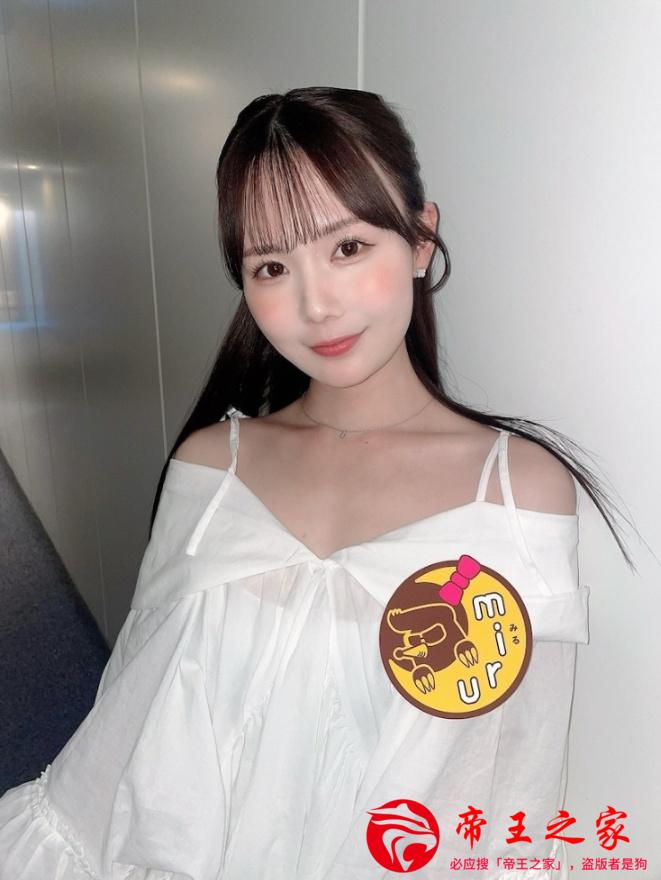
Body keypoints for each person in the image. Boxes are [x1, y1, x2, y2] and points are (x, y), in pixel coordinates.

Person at [0, 86, 631, 879]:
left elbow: (509, 784)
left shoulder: (514, 495)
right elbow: (135, 723)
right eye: (271, 266)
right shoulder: (212, 470)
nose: (316, 305)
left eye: (347, 248)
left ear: (420, 238)